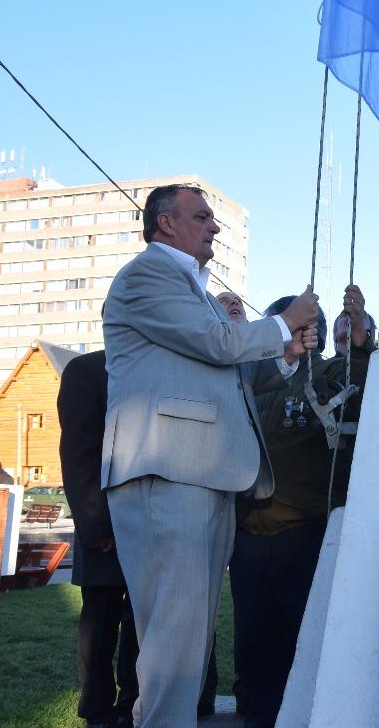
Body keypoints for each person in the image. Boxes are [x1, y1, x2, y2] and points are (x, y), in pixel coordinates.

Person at [101, 183, 320, 726]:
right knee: (174, 638)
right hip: (166, 475)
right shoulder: (148, 274)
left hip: (202, 477)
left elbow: (230, 374)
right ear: (165, 224)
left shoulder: (189, 291)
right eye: (202, 217)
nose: (215, 228)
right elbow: (221, 346)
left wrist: (284, 355)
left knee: (188, 641)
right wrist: (285, 320)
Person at [230, 285, 374, 728]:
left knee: (303, 639)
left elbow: (363, 375)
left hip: (304, 531)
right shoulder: (248, 378)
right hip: (248, 536)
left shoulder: (328, 372)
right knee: (254, 642)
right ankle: (256, 714)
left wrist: (363, 336)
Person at [59, 350, 139, 728]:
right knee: (100, 622)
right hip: (104, 524)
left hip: (148, 524)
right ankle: (97, 710)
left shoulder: (152, 366)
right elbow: (78, 454)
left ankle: (133, 702)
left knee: (141, 622)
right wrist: (95, 524)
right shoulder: (86, 370)